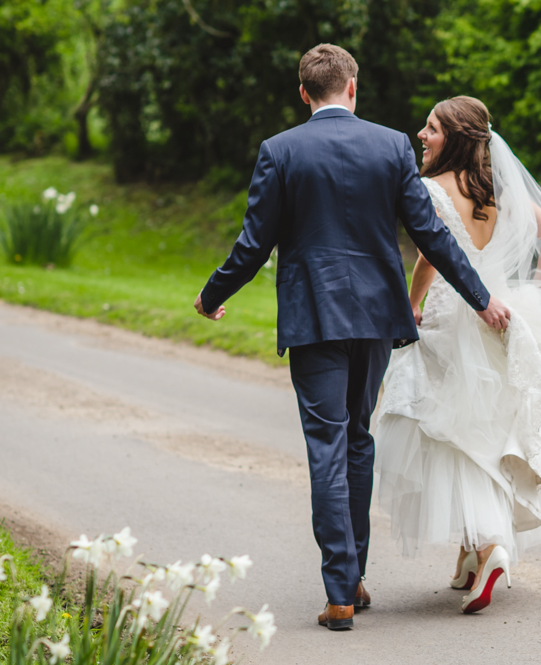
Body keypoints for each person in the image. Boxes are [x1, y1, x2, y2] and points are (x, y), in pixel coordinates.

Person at [194, 45, 510, 632]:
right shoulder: (390, 145)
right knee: (356, 440)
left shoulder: (280, 151)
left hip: (315, 315)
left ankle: (341, 590)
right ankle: (355, 577)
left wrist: (214, 294)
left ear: (304, 92)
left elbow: (254, 243)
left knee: (327, 444)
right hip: (374, 316)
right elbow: (433, 236)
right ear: (353, 87)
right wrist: (482, 297)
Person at [375, 96, 541, 613]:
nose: (420, 134)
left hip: (454, 316)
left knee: (451, 434)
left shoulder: (432, 189)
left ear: (452, 137)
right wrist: (532, 292)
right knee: (486, 429)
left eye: (430, 128)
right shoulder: (496, 188)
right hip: (499, 315)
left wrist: (410, 307)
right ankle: (469, 556)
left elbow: (431, 258)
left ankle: (490, 545)